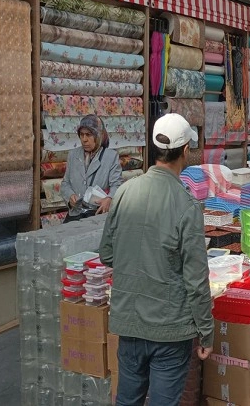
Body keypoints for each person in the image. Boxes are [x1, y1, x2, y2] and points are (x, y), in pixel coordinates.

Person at [99, 113, 213, 406]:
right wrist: (206, 331)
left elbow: (107, 253)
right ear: (185, 151)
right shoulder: (187, 205)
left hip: (130, 321)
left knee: (127, 400)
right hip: (169, 328)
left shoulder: (124, 192)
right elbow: (196, 280)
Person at [61, 114, 123, 223]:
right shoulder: (73, 155)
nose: (84, 139)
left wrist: (109, 199)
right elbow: (65, 183)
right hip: (75, 215)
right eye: (81, 135)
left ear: (99, 135)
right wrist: (70, 197)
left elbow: (117, 184)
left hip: (97, 215)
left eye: (89, 135)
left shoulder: (110, 156)